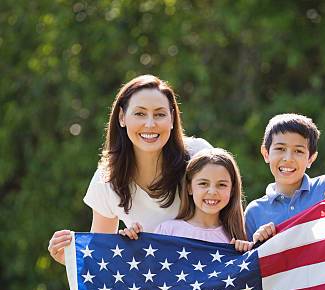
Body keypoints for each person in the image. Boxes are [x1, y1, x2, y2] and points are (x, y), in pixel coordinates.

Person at [47, 75, 212, 264]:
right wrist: (70, 258)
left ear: (172, 118)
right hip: (153, 287)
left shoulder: (199, 155)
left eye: (159, 114)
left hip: (206, 280)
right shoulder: (107, 177)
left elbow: (232, 223)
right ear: (122, 117)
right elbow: (100, 255)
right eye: (140, 114)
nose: (150, 124)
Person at [244, 113, 325, 242]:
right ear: (266, 154)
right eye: (280, 148)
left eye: (298, 151)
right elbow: (249, 258)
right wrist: (257, 242)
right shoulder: (254, 212)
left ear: (311, 159)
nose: (288, 158)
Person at [154, 148, 252, 252]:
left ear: (232, 190)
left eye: (221, 185)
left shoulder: (236, 239)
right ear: (189, 187)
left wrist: (243, 251)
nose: (212, 191)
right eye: (203, 184)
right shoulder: (168, 231)